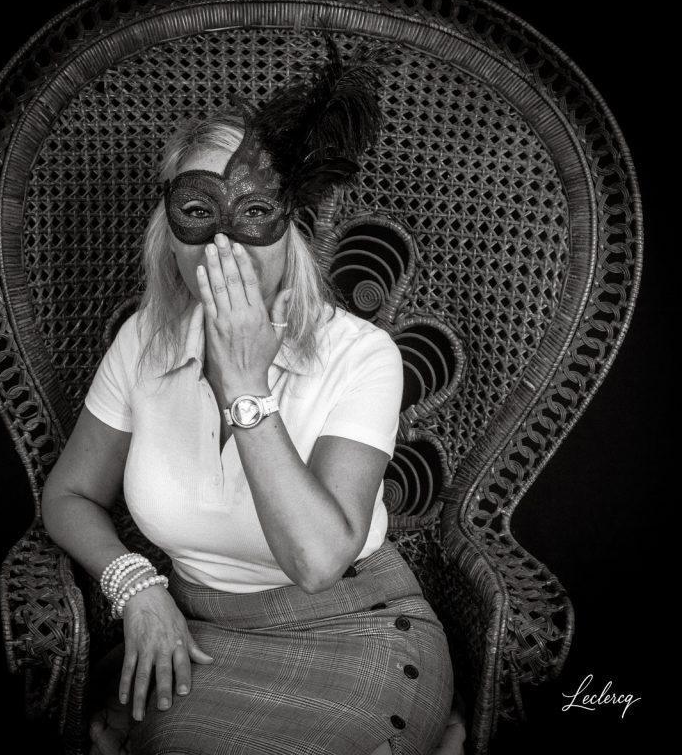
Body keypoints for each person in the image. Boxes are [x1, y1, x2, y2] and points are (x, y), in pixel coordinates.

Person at [41, 39, 456, 755]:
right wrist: (135, 586)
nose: (225, 245)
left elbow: (318, 562)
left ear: (289, 228)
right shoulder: (145, 342)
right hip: (197, 634)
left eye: (255, 211)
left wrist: (244, 385)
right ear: (169, 232)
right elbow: (68, 495)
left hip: (355, 626)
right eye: (198, 210)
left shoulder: (362, 355)